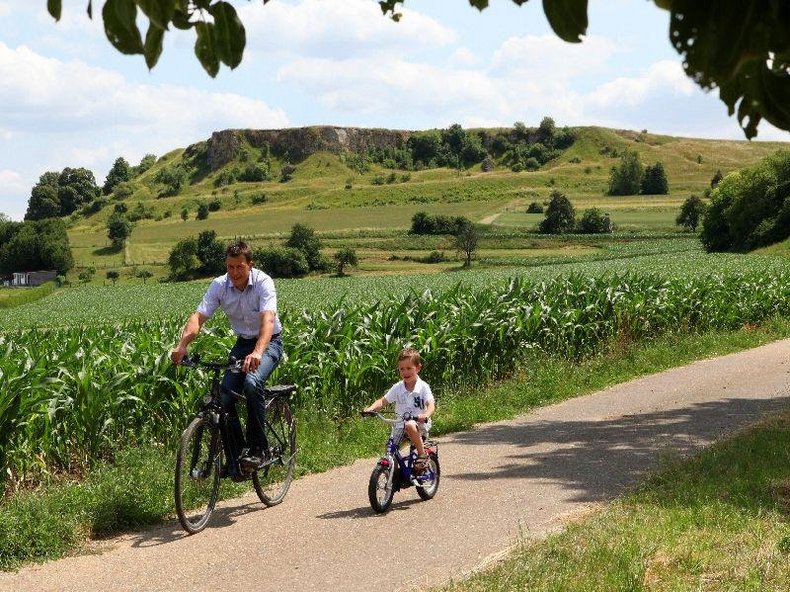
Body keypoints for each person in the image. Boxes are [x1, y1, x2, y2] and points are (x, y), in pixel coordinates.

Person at [170, 240, 283, 470]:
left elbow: (268, 321)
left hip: (269, 342)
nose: (234, 273)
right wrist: (182, 345)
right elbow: (198, 318)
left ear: (250, 265)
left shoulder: (263, 283)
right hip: (243, 343)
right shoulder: (219, 285)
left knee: (252, 384)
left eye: (239, 267)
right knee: (225, 396)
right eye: (230, 267)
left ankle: (259, 449)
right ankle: (238, 457)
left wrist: (258, 352)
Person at [363, 348, 435, 474]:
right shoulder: (398, 388)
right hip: (400, 426)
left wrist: (426, 415)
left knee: (410, 424)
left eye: (409, 368)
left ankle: (422, 455)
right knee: (390, 449)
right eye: (402, 369)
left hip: (419, 425)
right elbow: (382, 401)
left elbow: (431, 404)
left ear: (418, 368)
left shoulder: (423, 387)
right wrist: (371, 409)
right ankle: (393, 474)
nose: (405, 372)